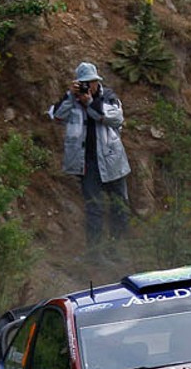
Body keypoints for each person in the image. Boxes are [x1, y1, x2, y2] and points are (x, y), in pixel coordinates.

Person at [51, 62, 133, 245]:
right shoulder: (72, 100)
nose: (89, 86)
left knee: (119, 206)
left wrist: (89, 103)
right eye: (84, 82)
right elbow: (56, 115)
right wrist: (71, 96)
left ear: (97, 81)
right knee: (93, 208)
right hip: (87, 164)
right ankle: (94, 251)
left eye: (91, 82)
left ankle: (117, 246)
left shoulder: (108, 97)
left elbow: (116, 118)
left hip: (112, 161)